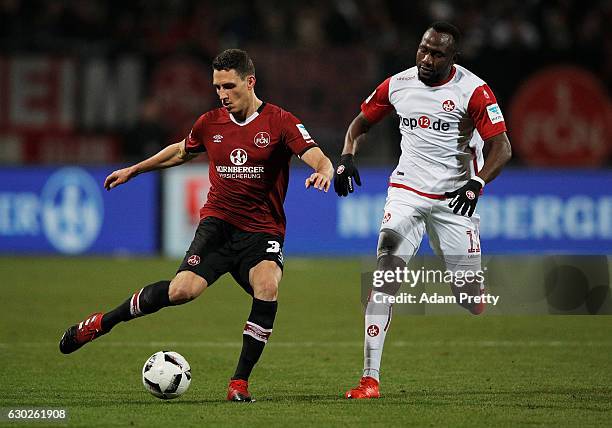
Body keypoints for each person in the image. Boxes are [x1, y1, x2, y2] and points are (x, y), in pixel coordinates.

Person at [59, 49, 334, 402]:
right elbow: (180, 151)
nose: (222, 94)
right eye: (217, 87)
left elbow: (316, 156)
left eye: (229, 86)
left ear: (250, 82)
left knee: (267, 285)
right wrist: (134, 169)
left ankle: (239, 383)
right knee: (181, 292)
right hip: (217, 225)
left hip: (262, 231)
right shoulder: (209, 123)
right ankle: (100, 323)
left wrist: (324, 171)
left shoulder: (280, 122)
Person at [335, 22, 512, 399]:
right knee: (383, 277)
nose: (427, 59)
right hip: (406, 193)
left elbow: (502, 147)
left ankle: (472, 288)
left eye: (437, 54)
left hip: (454, 200)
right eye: (423, 49)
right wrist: (348, 156)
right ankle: (370, 379)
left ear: (453, 58)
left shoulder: (473, 91)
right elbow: (360, 122)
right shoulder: (398, 84)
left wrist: (477, 182)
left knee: (468, 299)